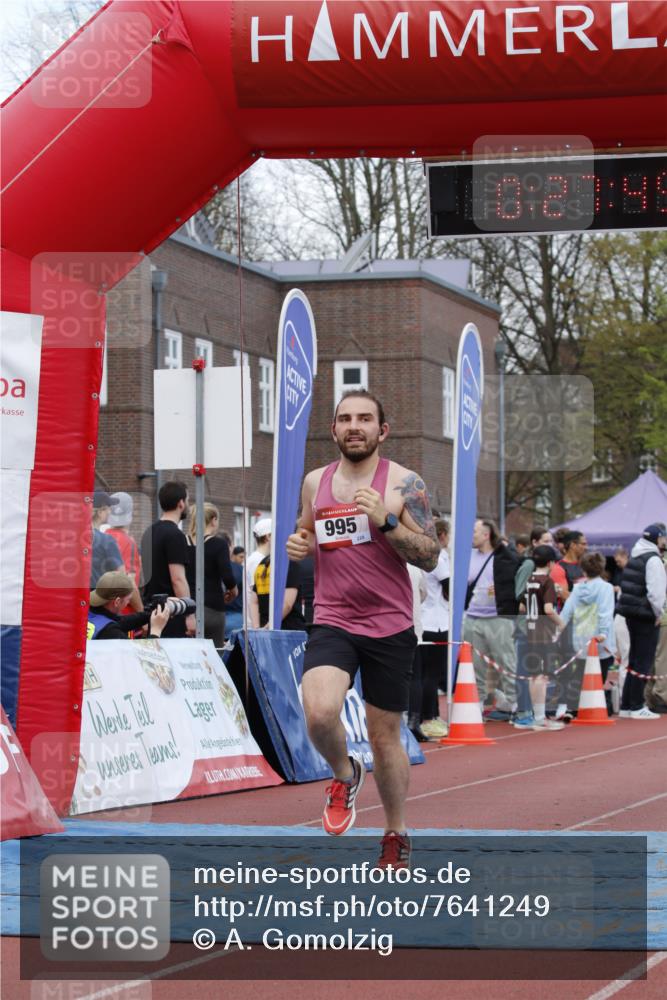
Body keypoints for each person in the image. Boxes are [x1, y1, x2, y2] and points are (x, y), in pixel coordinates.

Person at [286, 389, 439, 869]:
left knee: (384, 736)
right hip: (333, 617)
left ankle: (395, 832)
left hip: (390, 624)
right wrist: (299, 544)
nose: (355, 426)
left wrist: (387, 521)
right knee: (318, 712)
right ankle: (344, 772)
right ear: (333, 430)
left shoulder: (404, 483)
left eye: (365, 419)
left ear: (382, 430)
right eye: (346, 419)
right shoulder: (316, 481)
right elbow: (307, 531)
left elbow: (431, 555)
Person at [464, 518, 520, 716]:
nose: (472, 536)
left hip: (498, 617)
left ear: (486, 535)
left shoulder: (505, 557)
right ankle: (477, 701)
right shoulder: (467, 556)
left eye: (475, 532)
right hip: (472, 616)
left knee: (506, 660)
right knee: (474, 664)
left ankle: (514, 702)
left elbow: (518, 576)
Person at [616, 523, 667, 719]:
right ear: (658, 538)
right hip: (645, 614)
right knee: (643, 662)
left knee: (634, 660)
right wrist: (658, 614)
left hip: (631, 613)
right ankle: (637, 705)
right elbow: (656, 593)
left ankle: (627, 704)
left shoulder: (636, 554)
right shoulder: (653, 559)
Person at [558, 551, 616, 718]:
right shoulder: (606, 588)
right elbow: (605, 612)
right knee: (599, 674)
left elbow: (566, 613)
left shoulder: (577, 589)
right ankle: (591, 706)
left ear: (583, 570)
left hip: (581, 638)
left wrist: (557, 631)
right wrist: (603, 633)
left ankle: (572, 707)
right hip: (600, 641)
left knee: (579, 673)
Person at [514, 545, 565, 731]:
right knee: (543, 676)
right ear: (551, 563)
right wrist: (562, 623)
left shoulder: (530, 580)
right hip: (544, 633)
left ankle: (536, 715)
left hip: (530, 630)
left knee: (533, 675)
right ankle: (541, 717)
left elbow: (521, 607)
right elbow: (549, 610)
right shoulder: (547, 582)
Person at [140, 481, 195, 638]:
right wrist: (189, 614)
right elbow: (177, 579)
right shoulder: (175, 535)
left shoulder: (149, 532)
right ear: (181, 503)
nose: (188, 505)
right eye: (188, 500)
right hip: (172, 614)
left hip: (153, 613)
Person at [186, 503, 238, 647]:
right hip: (213, 608)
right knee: (214, 655)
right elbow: (227, 575)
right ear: (214, 520)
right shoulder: (218, 544)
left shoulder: (182, 542)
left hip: (188, 608)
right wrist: (233, 592)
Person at [418, 519, 450, 740]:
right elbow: (450, 587)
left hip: (422, 619)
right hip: (437, 621)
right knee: (432, 673)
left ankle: (424, 717)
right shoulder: (438, 555)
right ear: (442, 535)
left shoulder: (417, 552)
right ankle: (430, 718)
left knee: (423, 673)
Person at [87, 571, 170, 640]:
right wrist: (156, 630)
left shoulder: (89, 613)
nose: (128, 602)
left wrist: (153, 613)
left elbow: (121, 621)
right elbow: (142, 658)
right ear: (117, 602)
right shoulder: (111, 633)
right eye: (129, 600)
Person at [105, 491, 143, 614]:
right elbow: (128, 584)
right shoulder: (128, 542)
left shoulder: (102, 538)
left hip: (104, 613)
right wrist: (142, 614)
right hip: (124, 614)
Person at [249, 554, 305, 630]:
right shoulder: (290, 562)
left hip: (264, 627)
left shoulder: (263, 563)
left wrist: (257, 628)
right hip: (288, 629)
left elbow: (254, 602)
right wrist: (269, 627)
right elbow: (287, 604)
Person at [90, 491, 123, 588]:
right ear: (100, 512)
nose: (110, 512)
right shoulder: (107, 540)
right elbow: (122, 577)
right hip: (100, 599)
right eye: (108, 508)